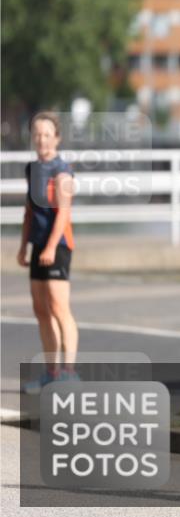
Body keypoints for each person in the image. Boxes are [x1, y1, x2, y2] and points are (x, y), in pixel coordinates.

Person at [18, 112, 79, 392]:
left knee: (58, 306)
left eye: (46, 134)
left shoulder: (62, 170)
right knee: (41, 309)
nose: (41, 139)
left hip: (59, 244)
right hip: (38, 244)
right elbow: (30, 211)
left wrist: (53, 246)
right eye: (37, 134)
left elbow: (63, 214)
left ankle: (69, 372)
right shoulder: (32, 169)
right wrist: (23, 246)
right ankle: (51, 372)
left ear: (56, 138)